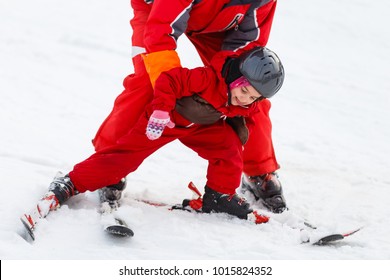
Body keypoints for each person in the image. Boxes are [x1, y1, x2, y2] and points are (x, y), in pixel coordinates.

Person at [21, 46, 285, 229]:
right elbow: (170, 80)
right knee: (123, 159)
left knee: (227, 148)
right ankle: (69, 183)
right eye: (244, 90)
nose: (245, 99)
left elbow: (241, 115)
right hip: (165, 120)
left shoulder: (242, 99)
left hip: (200, 126)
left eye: (253, 98)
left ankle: (220, 195)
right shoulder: (205, 78)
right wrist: (160, 109)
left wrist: (239, 130)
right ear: (236, 77)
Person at [93, 0, 286, 213]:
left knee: (248, 89)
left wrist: (227, 81)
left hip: (219, 24)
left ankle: (259, 172)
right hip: (157, 13)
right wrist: (170, 94)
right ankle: (107, 165)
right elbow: (161, 30)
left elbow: (250, 40)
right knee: (148, 85)